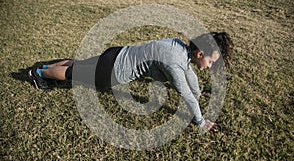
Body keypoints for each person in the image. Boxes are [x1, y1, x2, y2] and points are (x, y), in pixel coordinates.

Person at [28, 32, 233, 132]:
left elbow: (189, 74)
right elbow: (185, 94)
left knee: (78, 65)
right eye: (210, 62)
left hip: (117, 53)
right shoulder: (174, 64)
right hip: (112, 71)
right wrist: (201, 122)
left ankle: (45, 68)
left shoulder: (178, 45)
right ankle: (39, 74)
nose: (209, 66)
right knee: (72, 73)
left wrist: (198, 92)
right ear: (199, 53)